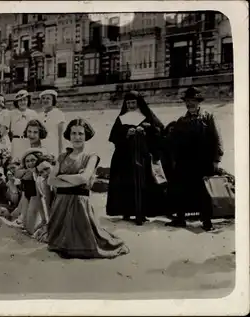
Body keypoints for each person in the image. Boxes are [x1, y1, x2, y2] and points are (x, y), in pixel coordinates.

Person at [48, 118, 130, 259]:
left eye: (80, 134)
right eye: (73, 133)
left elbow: (84, 179)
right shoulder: (62, 156)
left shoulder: (91, 157)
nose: (77, 137)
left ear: (86, 136)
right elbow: (50, 180)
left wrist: (62, 176)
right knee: (58, 244)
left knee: (85, 244)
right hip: (60, 204)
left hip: (79, 203)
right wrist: (73, 179)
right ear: (69, 135)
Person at [166, 87, 223, 231]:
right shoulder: (181, 120)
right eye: (187, 101)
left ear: (198, 102)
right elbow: (173, 141)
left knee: (203, 192)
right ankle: (180, 219)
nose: (190, 104)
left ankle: (207, 222)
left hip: (201, 161)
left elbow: (217, 139)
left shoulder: (207, 117)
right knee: (180, 189)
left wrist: (216, 159)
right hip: (183, 162)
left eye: (193, 101)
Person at [106, 91, 165, 226]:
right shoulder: (121, 117)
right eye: (128, 103)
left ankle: (142, 213)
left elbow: (159, 131)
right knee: (126, 183)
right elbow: (114, 137)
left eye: (133, 102)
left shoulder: (147, 116)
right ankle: (126, 211)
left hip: (142, 156)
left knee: (143, 184)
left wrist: (146, 130)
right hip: (125, 157)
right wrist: (127, 133)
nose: (131, 105)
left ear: (138, 103)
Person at [12, 148, 46, 235]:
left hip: (42, 206)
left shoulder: (42, 176)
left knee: (30, 229)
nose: (30, 163)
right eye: (27, 161)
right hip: (33, 201)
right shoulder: (28, 176)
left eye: (33, 160)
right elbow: (25, 196)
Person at [6, 90, 39, 160]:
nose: (22, 102)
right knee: (15, 162)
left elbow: (38, 130)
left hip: (29, 141)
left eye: (24, 100)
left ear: (28, 101)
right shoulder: (11, 114)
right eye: (20, 100)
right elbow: (7, 130)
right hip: (16, 141)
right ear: (16, 102)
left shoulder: (33, 113)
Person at [38, 90, 67, 157]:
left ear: (53, 100)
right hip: (42, 149)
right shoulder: (39, 116)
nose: (45, 100)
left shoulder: (59, 114)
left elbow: (61, 136)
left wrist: (60, 153)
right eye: (43, 98)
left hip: (54, 148)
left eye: (48, 98)